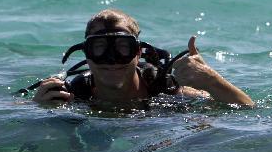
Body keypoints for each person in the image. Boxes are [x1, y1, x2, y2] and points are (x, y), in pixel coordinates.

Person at [30, 9, 254, 108]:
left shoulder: (164, 90)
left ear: (138, 53)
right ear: (86, 54)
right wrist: (37, 108)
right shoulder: (71, 95)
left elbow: (248, 109)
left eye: (122, 48)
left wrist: (211, 80)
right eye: (99, 48)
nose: (112, 59)